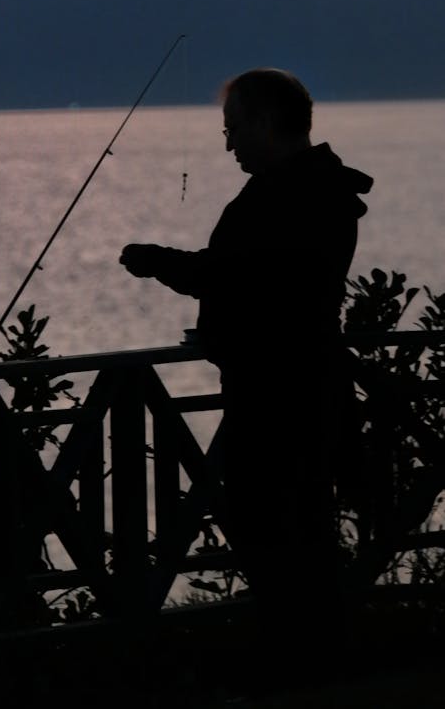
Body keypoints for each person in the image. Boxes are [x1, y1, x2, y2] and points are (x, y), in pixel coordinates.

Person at [119, 67, 373, 689]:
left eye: (232, 129)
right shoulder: (321, 189)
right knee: (303, 537)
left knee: (279, 540)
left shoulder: (287, 194)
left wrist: (157, 263)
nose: (227, 143)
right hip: (308, 387)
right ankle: (317, 664)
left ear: (263, 122)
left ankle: (304, 666)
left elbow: (236, 276)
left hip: (278, 397)